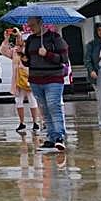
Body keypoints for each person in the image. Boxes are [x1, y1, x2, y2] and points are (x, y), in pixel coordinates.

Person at [24, 16, 69, 153]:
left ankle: (59, 138)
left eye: (32, 25)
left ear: (40, 23)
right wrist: (24, 59)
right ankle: (51, 138)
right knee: (44, 109)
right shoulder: (31, 40)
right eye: (29, 25)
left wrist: (47, 54)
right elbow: (28, 60)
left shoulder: (55, 38)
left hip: (53, 79)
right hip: (36, 80)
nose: (30, 28)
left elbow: (64, 59)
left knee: (53, 106)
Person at [0, 28, 41, 134]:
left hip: (29, 79)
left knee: (33, 101)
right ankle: (22, 122)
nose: (19, 40)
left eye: (21, 38)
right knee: (18, 101)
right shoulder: (14, 51)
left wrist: (21, 46)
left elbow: (29, 57)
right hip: (18, 80)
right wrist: (7, 39)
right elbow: (3, 51)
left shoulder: (30, 50)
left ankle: (35, 122)